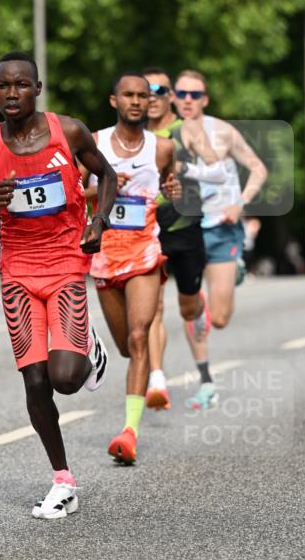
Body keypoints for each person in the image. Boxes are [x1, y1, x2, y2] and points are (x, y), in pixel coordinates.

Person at [0, 51, 117, 519]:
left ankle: (87, 350)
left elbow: (108, 175)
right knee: (34, 382)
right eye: (2, 87)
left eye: (20, 85)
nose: (11, 94)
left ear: (37, 88)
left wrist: (100, 220)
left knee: (65, 380)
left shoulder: (68, 131)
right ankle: (63, 481)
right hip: (17, 271)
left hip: (67, 263)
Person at [81, 72, 175, 465]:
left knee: (139, 338)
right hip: (104, 255)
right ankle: (98, 349)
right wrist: (101, 188)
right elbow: (72, 193)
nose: (137, 101)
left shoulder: (164, 148)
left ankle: (129, 432)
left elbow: (170, 186)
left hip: (144, 253)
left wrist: (175, 192)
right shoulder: (95, 143)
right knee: (124, 347)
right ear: (113, 100)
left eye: (143, 95)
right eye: (128, 95)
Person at [173, 68, 267, 409]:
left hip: (222, 227)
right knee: (191, 306)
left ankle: (236, 266)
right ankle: (206, 380)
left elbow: (258, 168)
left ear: (204, 99)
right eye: (181, 93)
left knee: (221, 317)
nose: (187, 100)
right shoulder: (167, 135)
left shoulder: (223, 132)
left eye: (194, 95)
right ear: (172, 97)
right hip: (186, 228)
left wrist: (239, 204)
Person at [144, 67, 227, 410]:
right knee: (152, 307)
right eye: (143, 90)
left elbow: (219, 171)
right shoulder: (131, 135)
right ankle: (157, 380)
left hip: (185, 228)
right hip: (148, 230)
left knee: (188, 307)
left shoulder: (186, 130)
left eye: (159, 89)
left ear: (170, 96)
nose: (151, 96)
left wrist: (186, 169)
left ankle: (203, 370)